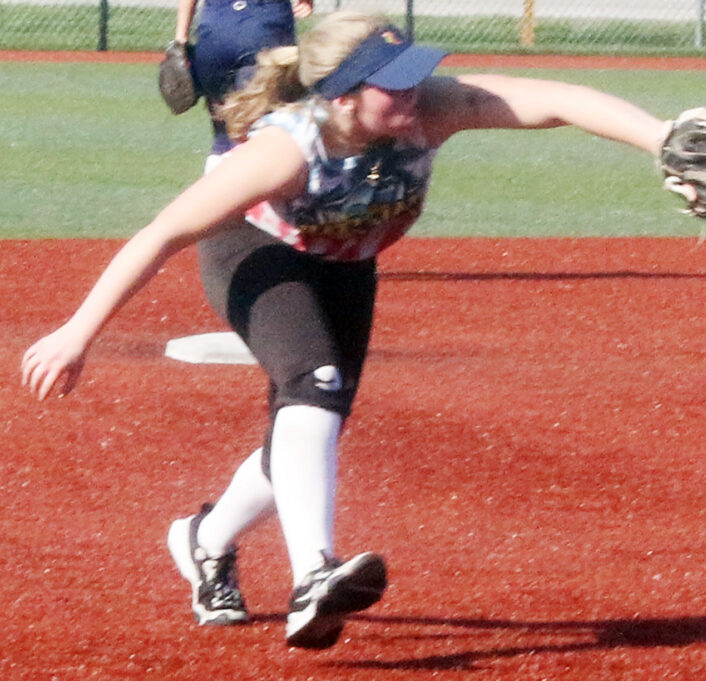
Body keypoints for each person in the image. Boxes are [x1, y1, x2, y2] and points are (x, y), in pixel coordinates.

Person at [22, 10, 673, 649]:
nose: (412, 89)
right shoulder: (286, 148)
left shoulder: (433, 108)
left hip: (345, 264)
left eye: (413, 73)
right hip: (252, 249)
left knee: (308, 427)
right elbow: (161, 233)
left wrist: (661, 137)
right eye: (392, 81)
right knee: (316, 384)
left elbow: (555, 99)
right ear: (345, 96)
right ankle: (313, 576)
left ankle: (206, 540)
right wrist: (79, 330)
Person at [173, 0, 314, 165]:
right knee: (264, 130)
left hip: (214, 35)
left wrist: (180, 39)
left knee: (222, 134)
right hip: (265, 32)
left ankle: (216, 179)